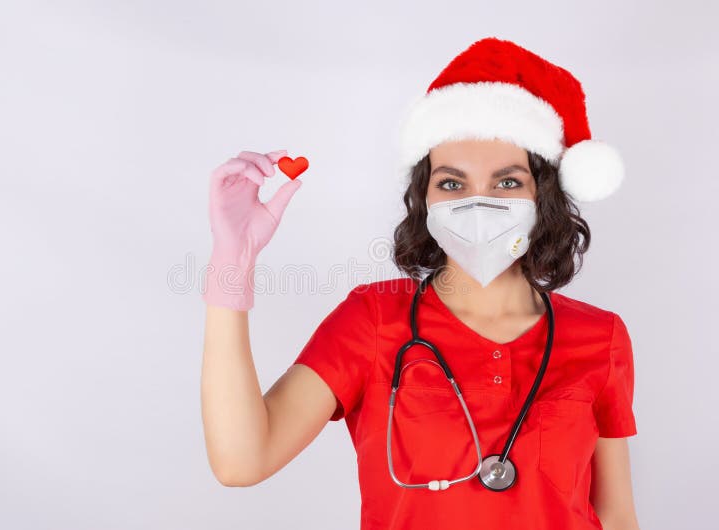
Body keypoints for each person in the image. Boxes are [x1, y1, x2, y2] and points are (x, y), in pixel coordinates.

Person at [201, 37, 640, 530]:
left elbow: (616, 514)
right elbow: (242, 461)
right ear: (424, 197)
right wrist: (231, 265)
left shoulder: (600, 337)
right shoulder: (373, 320)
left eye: (508, 182)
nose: (479, 202)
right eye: (452, 183)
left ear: (546, 199)